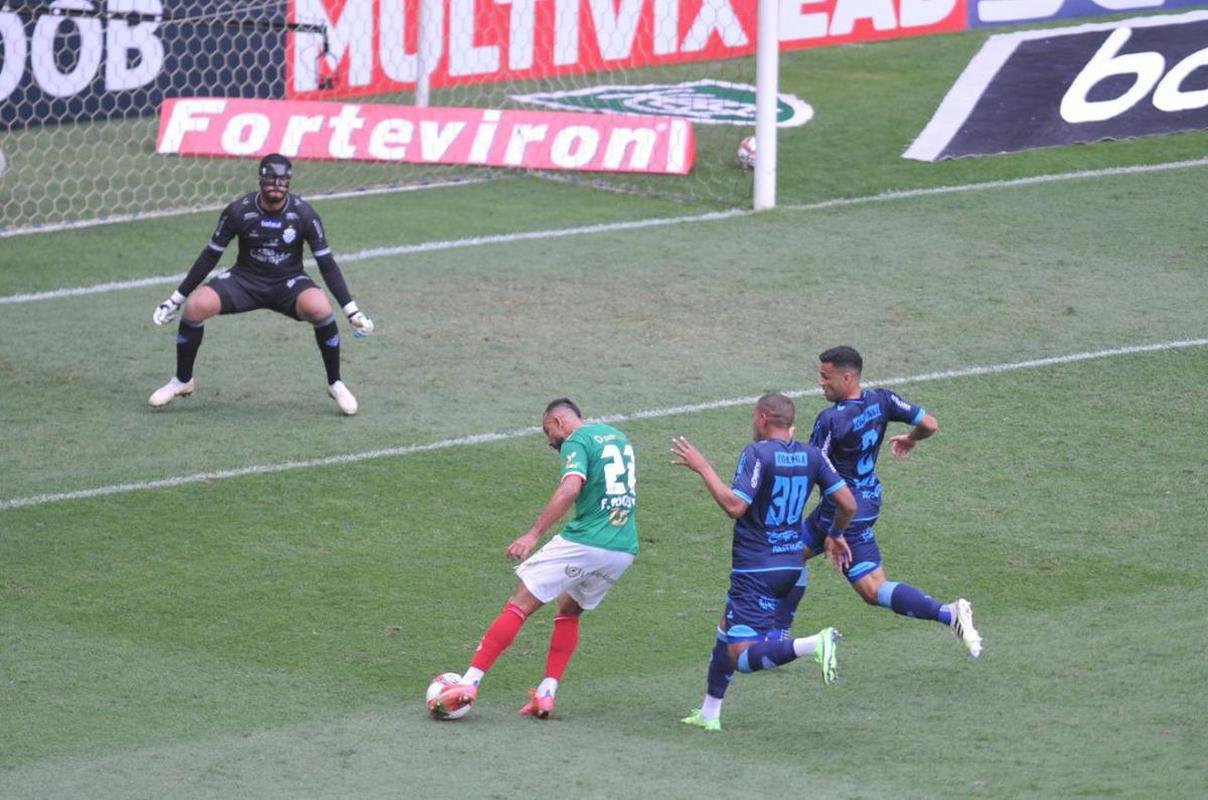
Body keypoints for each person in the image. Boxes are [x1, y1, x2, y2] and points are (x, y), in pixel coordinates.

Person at [430, 398, 638, 720]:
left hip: (586, 541)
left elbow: (570, 488)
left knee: (520, 603)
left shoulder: (576, 440)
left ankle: (469, 683)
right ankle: (546, 694)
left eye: (547, 432)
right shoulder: (617, 437)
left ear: (558, 421)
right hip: (622, 549)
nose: (549, 441)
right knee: (569, 610)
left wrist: (533, 534)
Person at [772, 346, 983, 657]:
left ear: (847, 377)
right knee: (867, 587)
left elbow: (812, 469)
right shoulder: (883, 399)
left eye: (826, 377)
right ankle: (778, 635)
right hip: (867, 502)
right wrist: (911, 439)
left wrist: (828, 529)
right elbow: (930, 423)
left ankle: (948, 614)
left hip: (842, 512)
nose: (821, 383)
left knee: (784, 558)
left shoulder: (830, 420)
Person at [671, 392, 857, 732]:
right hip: (792, 566)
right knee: (725, 632)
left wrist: (702, 467)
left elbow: (735, 507)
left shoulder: (757, 454)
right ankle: (710, 712)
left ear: (761, 417)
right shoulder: (813, 455)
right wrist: (835, 533)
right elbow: (848, 503)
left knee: (741, 656)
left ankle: (813, 644)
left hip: (756, 568)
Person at [148, 153, 374, 415]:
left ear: (289, 182)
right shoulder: (239, 210)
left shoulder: (304, 214)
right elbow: (211, 255)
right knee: (196, 307)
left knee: (321, 309)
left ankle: (336, 383)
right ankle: (182, 380)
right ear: (260, 179)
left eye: (283, 180)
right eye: (271, 178)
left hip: (288, 282)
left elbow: (327, 264)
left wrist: (351, 310)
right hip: (244, 280)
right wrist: (176, 299)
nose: (276, 184)